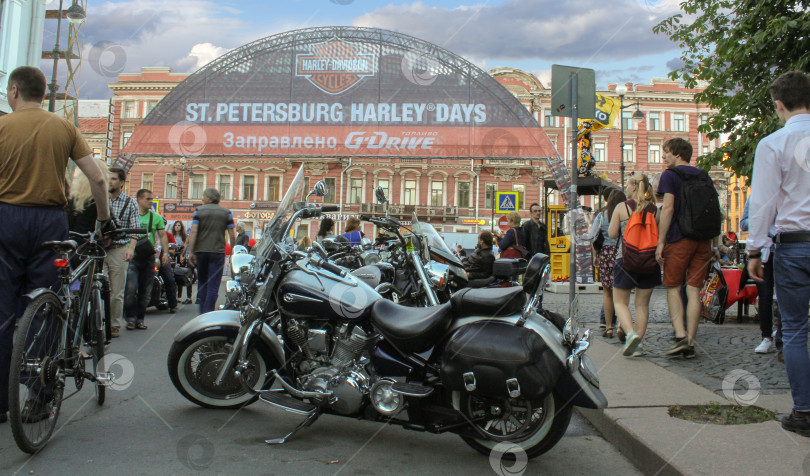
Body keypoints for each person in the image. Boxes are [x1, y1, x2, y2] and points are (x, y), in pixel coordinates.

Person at [0, 66, 110, 424]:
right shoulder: (64, 127)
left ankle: (2, 401)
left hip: (6, 219)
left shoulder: (2, 126)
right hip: (50, 221)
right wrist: (104, 218)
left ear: (13, 91)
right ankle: (39, 397)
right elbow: (96, 177)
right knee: (46, 307)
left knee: (2, 314)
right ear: (42, 92)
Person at [747, 71, 810, 437]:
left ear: (780, 104)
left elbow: (764, 203)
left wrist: (756, 249)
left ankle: (803, 411)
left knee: (797, 330)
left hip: (795, 245)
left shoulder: (773, 144)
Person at [655, 137, 719, 359]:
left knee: (673, 288)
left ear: (677, 154)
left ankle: (681, 336)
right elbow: (713, 210)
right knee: (693, 290)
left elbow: (668, 208)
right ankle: (691, 342)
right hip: (702, 240)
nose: (664, 156)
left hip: (678, 238)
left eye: (666, 152)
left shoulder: (670, 175)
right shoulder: (704, 175)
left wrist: (661, 241)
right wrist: (714, 243)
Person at [610, 174, 662, 357]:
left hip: (625, 260)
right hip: (649, 261)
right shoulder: (655, 210)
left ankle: (630, 335)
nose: (625, 186)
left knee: (620, 302)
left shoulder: (621, 208)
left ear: (633, 187)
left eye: (627, 183)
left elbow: (612, 233)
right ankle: (638, 342)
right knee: (642, 305)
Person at [740, 198, 782, 357]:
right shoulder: (755, 196)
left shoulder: (786, 192)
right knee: (764, 296)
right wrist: (761, 220)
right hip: (764, 252)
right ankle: (766, 337)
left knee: (784, 295)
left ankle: (782, 338)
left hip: (784, 250)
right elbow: (743, 223)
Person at [124, 189, 170, 330]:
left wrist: (166, 253)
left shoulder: (155, 217)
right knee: (131, 288)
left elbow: (162, 236)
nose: (151, 201)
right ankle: (130, 319)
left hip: (148, 257)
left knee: (146, 291)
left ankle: (140, 319)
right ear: (139, 199)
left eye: (152, 198)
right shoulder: (131, 216)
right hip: (132, 257)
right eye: (148, 199)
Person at [584, 188, 626, 338]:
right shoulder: (626, 213)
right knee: (622, 293)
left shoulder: (601, 215)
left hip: (606, 255)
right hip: (622, 253)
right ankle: (621, 326)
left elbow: (592, 236)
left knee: (607, 292)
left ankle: (608, 328)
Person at [187, 188, 237, 314]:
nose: (202, 199)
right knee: (214, 285)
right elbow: (232, 234)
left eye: (203, 196)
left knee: (203, 282)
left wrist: (191, 252)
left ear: (209, 198)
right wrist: (233, 251)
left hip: (201, 251)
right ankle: (209, 312)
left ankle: (202, 313)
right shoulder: (226, 212)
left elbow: (193, 231)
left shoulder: (199, 211)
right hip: (218, 252)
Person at [107, 167, 140, 338]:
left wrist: (130, 248)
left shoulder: (130, 202)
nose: (109, 182)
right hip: (99, 248)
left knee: (116, 292)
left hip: (118, 249)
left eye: (113, 179)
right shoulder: (100, 199)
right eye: (108, 178)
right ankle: (97, 323)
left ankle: (113, 325)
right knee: (96, 289)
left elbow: (135, 229)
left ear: (121, 182)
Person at [172, 220, 194, 304]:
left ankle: (183, 296)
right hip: (173, 257)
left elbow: (185, 247)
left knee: (181, 276)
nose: (177, 227)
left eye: (179, 225)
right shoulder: (172, 236)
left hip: (182, 258)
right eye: (176, 225)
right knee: (175, 276)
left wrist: (182, 256)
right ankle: (177, 296)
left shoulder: (185, 236)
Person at [158, 226, 178, 313]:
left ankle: (173, 305)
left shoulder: (168, 235)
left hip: (163, 260)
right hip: (150, 260)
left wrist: (164, 250)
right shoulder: (150, 234)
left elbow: (172, 250)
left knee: (170, 279)